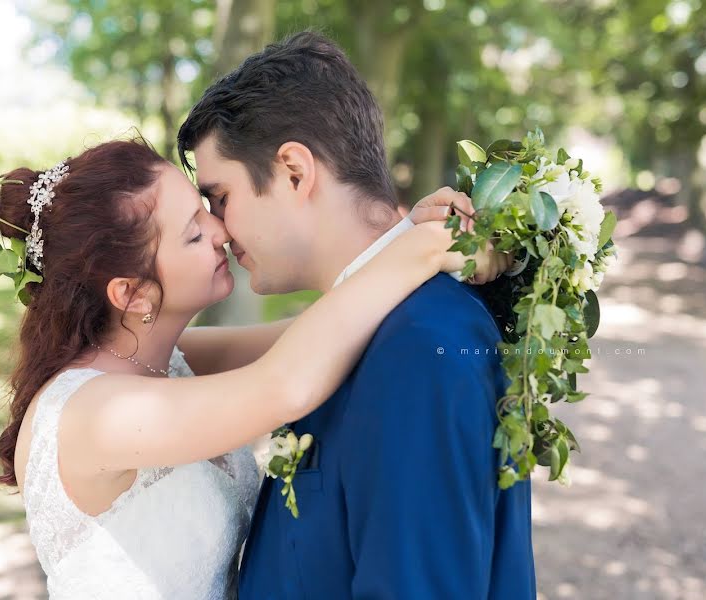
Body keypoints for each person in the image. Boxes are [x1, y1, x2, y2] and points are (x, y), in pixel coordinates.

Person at [0, 137, 507, 598]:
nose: (220, 231)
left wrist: (400, 236)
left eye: (205, 207)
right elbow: (285, 383)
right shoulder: (95, 412)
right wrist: (422, 251)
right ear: (132, 293)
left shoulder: (165, 361)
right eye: (191, 233)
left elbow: (325, 332)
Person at [177, 31, 537, 599]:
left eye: (219, 198)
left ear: (295, 171)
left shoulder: (421, 347)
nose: (217, 228)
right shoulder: (361, 321)